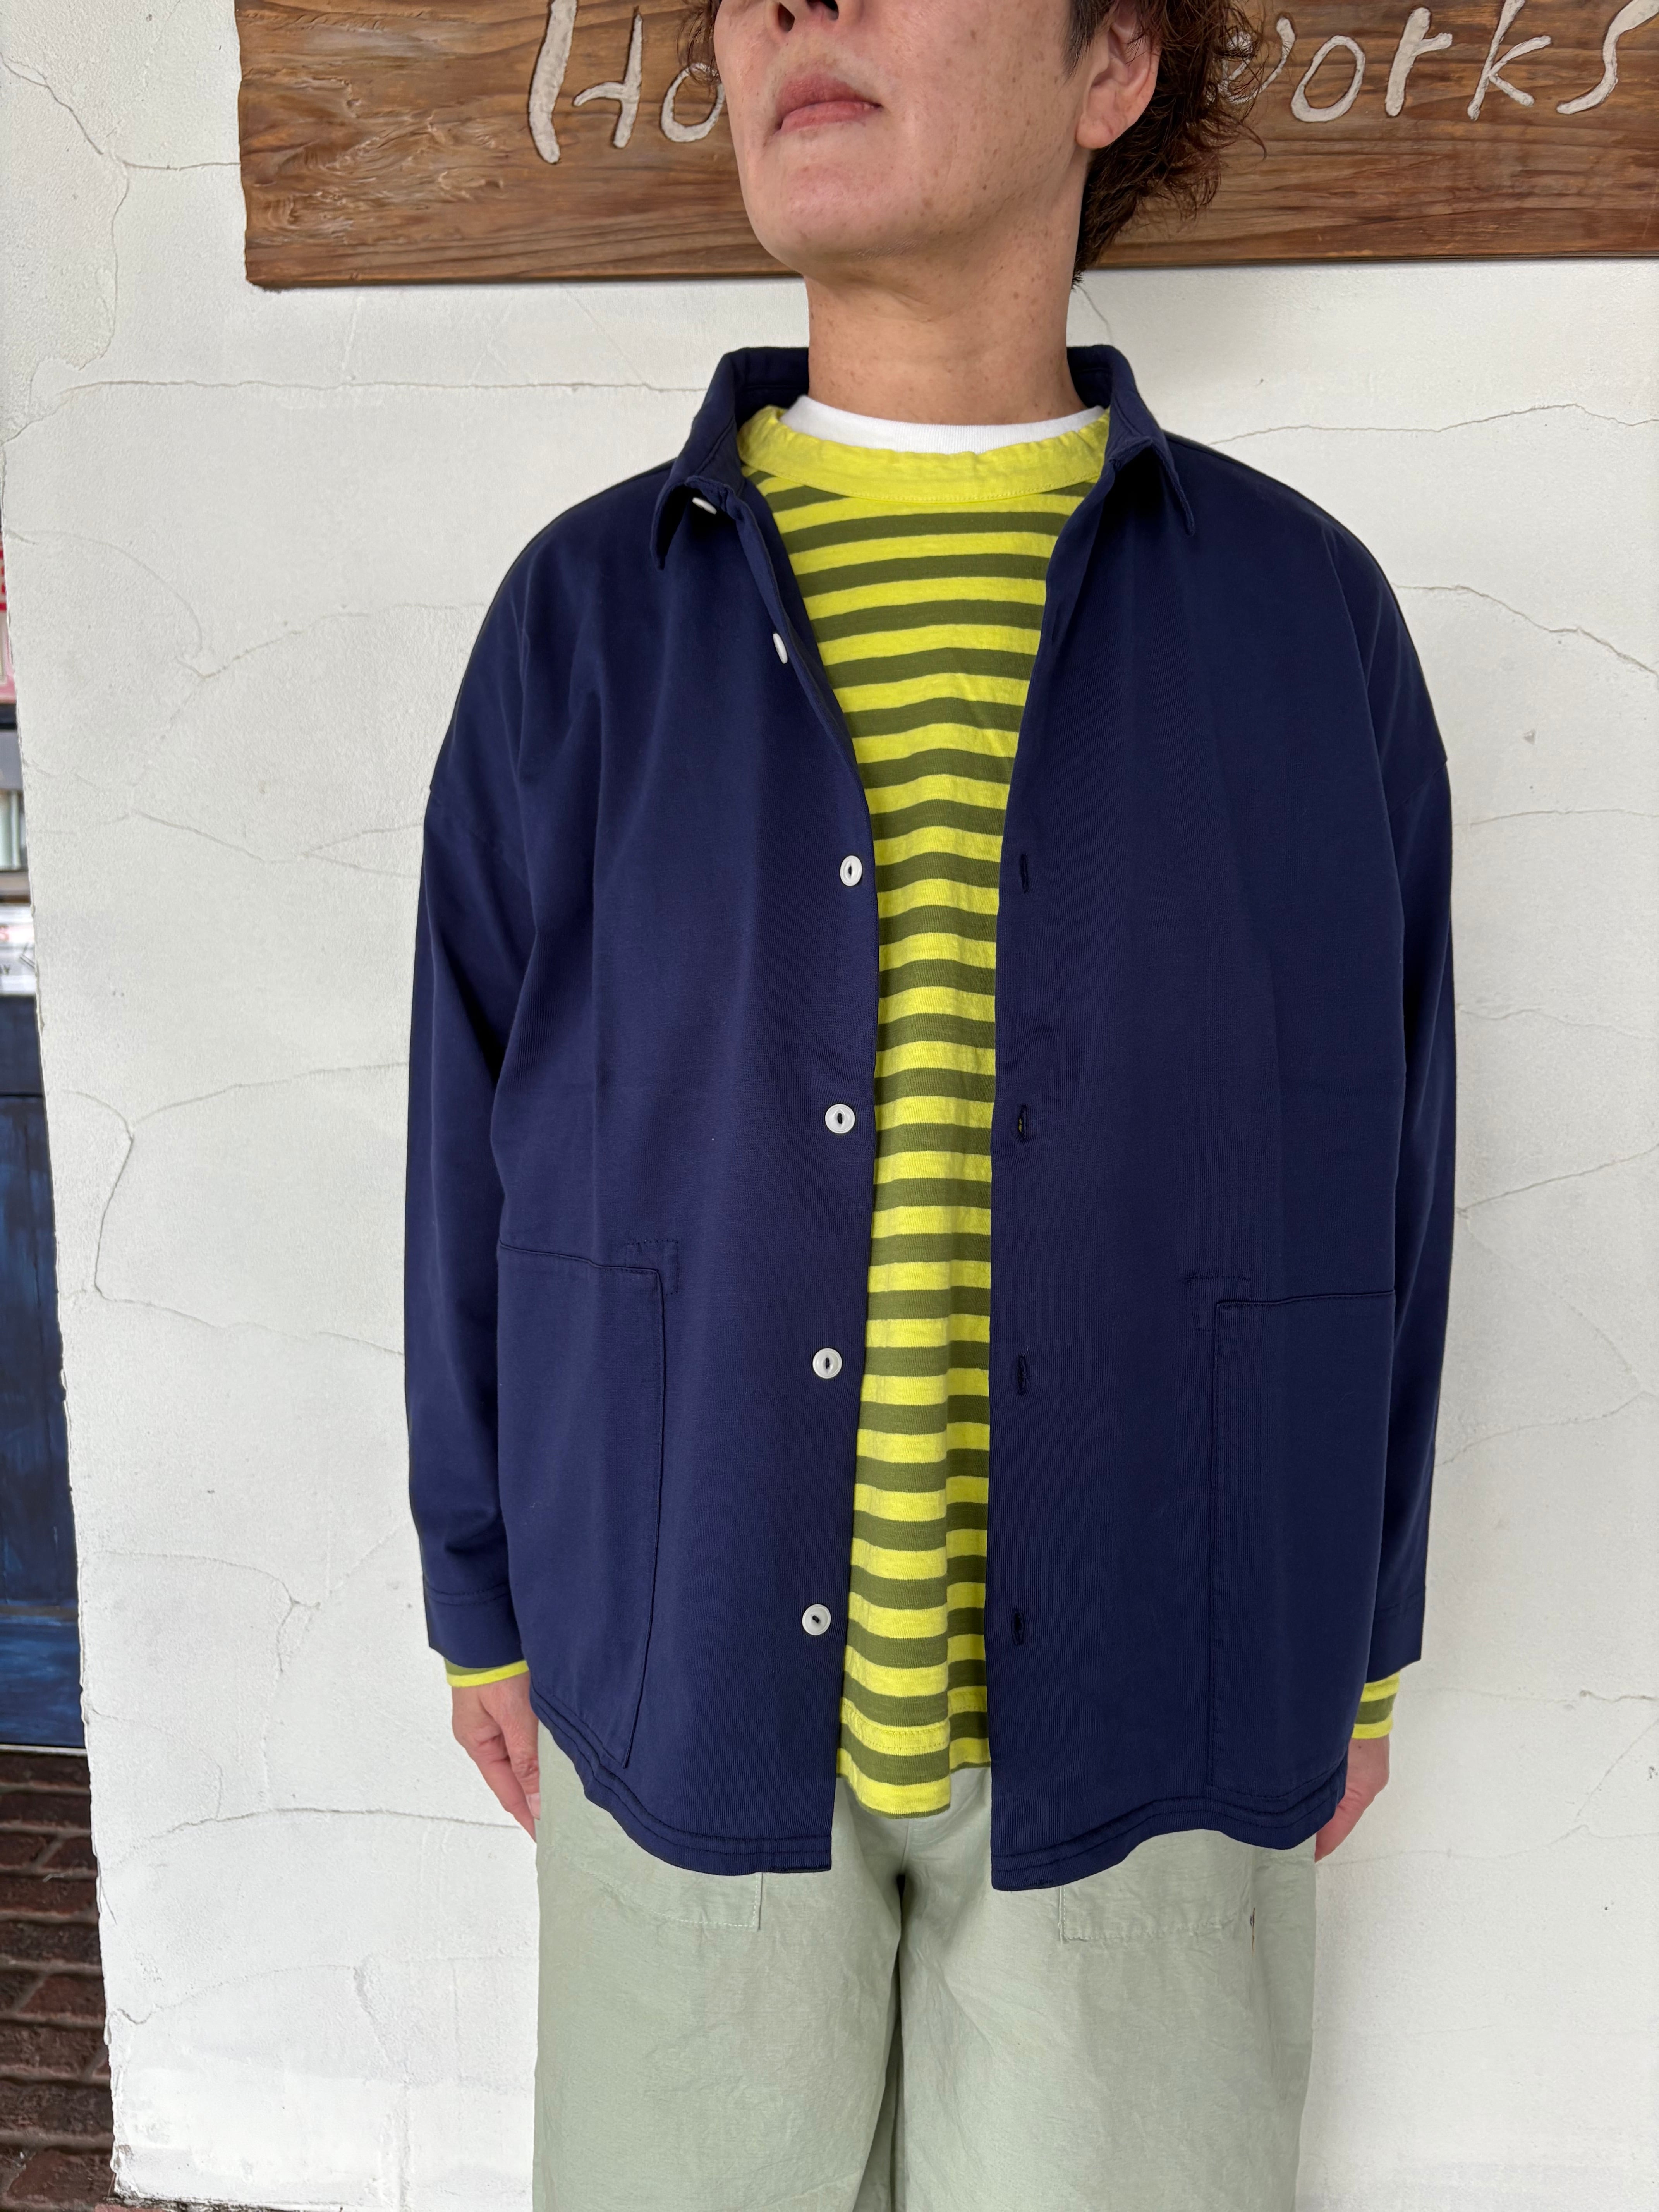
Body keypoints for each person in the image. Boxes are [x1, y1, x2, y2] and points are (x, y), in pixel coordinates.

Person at [403, 1, 1456, 2203]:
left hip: (1169, 1686)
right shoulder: (589, 620)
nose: (794, 4)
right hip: (680, 1668)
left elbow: (1391, 1165)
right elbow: (469, 1139)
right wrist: (479, 1585)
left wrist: (1359, 1639)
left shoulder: (1302, 621)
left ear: (1111, 68)